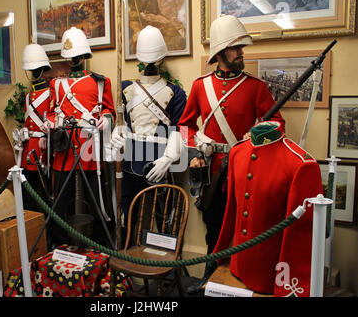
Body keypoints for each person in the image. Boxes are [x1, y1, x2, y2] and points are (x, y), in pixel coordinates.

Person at [177, 15, 286, 294]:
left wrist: (258, 135)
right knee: (213, 228)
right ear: (221, 51)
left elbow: (278, 124)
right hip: (211, 170)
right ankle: (211, 280)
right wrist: (195, 149)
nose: (241, 53)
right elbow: (186, 124)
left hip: (244, 171)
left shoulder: (255, 87)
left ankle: (239, 282)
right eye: (235, 47)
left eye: (241, 48)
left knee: (244, 229)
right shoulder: (201, 86)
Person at [212, 121, 322, 296]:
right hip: (237, 264)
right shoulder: (237, 152)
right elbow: (232, 210)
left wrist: (288, 283)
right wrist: (221, 249)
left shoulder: (300, 164)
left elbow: (300, 235)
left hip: (269, 274)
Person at [40, 27, 116, 247]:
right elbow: (54, 112)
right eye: (71, 56)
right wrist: (49, 122)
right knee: (61, 201)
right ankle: (59, 243)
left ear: (84, 56)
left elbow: (108, 110)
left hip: (89, 147)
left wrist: (106, 119)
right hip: (64, 148)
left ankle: (101, 245)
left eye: (77, 55)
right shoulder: (55, 84)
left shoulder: (101, 82)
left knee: (96, 199)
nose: (74, 59)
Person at [111, 25, 187, 241]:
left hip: (160, 162)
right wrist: (117, 131)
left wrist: (169, 158)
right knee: (128, 217)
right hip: (130, 162)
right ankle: (127, 262)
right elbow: (123, 121)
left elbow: (181, 129)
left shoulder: (176, 92)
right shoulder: (124, 88)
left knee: (164, 221)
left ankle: (162, 266)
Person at [13, 43, 53, 212]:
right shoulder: (29, 96)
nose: (35, 74)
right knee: (27, 193)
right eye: (32, 71)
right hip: (29, 148)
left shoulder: (52, 93)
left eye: (37, 70)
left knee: (47, 193)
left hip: (44, 149)